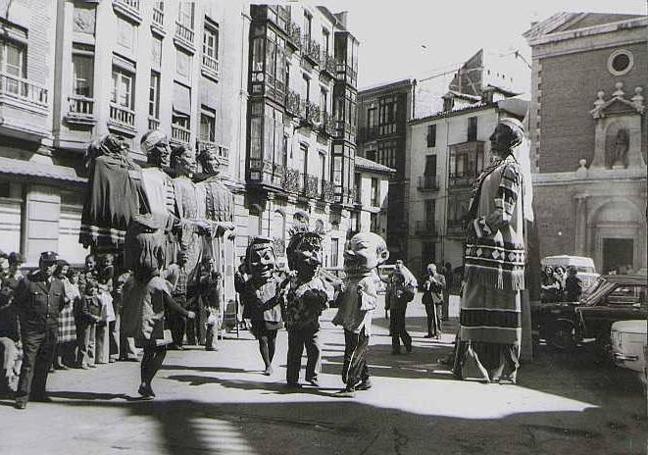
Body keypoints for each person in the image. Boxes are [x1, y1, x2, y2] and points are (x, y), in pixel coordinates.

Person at [453, 118, 529, 384]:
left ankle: (503, 369)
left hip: (498, 252)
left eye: (499, 134)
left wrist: (475, 227)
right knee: (475, 305)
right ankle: (476, 364)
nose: (493, 137)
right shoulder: (494, 168)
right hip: (485, 251)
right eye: (494, 132)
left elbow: (503, 214)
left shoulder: (511, 170)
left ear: (511, 141)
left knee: (495, 306)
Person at [121, 213, 196, 399]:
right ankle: (146, 382)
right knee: (160, 351)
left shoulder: (133, 281)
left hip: (142, 322)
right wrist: (187, 313)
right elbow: (169, 303)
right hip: (154, 323)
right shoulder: (157, 282)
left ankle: (145, 384)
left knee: (147, 352)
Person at [332, 232, 389, 397]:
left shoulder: (366, 281)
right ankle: (366, 380)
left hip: (361, 326)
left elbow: (372, 301)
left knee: (353, 354)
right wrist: (340, 292)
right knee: (357, 353)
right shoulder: (350, 280)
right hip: (349, 322)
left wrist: (362, 294)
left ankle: (350, 386)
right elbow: (340, 301)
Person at [14, 251, 67, 409]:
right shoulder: (28, 282)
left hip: (50, 329)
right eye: (45, 263)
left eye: (51, 264)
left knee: (45, 362)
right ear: (40, 264)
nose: (48, 267)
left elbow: (61, 304)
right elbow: (19, 306)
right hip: (32, 330)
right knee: (29, 363)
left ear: (55, 266)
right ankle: (22, 396)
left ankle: (39, 393)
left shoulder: (59, 283)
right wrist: (24, 327)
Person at [283, 227, 331, 389]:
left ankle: (312, 375)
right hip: (295, 323)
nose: (313, 266)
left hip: (312, 323)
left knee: (315, 350)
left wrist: (320, 299)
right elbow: (284, 297)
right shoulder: (292, 280)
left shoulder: (318, 281)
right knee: (295, 352)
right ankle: (292, 379)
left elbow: (327, 299)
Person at [240, 237, 284, 376]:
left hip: (274, 315)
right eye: (256, 259)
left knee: (272, 341)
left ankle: (269, 362)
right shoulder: (249, 284)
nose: (262, 262)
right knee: (263, 340)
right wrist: (245, 317)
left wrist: (287, 317)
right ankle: (268, 365)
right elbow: (247, 301)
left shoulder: (277, 281)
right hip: (258, 317)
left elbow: (282, 300)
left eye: (267, 257)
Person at [386, 260, 417, 354]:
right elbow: (387, 297)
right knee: (393, 329)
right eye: (394, 278)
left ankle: (408, 343)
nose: (394, 279)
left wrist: (404, 296)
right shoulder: (391, 287)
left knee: (400, 328)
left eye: (396, 278)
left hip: (401, 309)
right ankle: (396, 349)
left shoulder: (403, 288)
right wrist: (386, 307)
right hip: (393, 309)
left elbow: (410, 295)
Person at [53, 260, 76, 370]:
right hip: (57, 310)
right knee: (55, 338)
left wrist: (68, 298)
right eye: (63, 270)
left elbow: (71, 293)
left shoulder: (66, 280)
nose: (65, 272)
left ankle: (60, 361)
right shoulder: (54, 280)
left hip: (66, 310)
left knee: (63, 339)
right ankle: (52, 362)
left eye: (66, 270)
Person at [76, 279, 102, 369]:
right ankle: (82, 361)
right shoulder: (84, 298)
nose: (93, 290)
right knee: (84, 342)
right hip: (85, 323)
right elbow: (84, 311)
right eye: (91, 287)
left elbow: (100, 309)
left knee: (92, 342)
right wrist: (92, 316)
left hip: (93, 322)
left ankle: (90, 360)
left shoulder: (96, 298)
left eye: (95, 288)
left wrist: (99, 317)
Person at [422, 263, 445, 338]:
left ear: (434, 270)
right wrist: (425, 285)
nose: (429, 272)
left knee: (438, 316)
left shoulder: (441, 277)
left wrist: (435, 281)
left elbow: (443, 286)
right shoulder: (426, 277)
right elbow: (421, 287)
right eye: (428, 270)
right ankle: (430, 332)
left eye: (430, 270)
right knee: (430, 316)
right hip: (428, 299)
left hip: (437, 299)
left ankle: (438, 333)